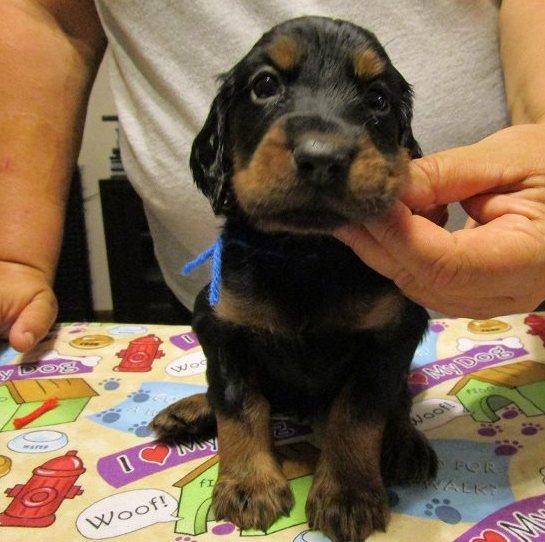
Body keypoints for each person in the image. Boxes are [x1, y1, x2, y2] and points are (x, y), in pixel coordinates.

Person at [1, 0, 543, 353]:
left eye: (375, 99)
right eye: (265, 86)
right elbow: (42, 12)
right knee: (231, 355)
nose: (322, 146)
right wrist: (12, 255)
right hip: (231, 276)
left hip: (491, 311)